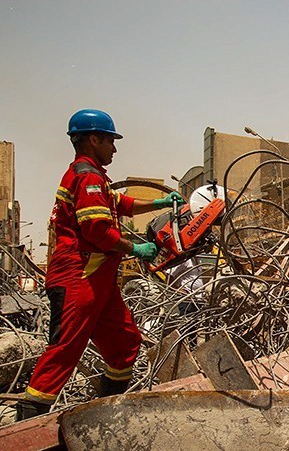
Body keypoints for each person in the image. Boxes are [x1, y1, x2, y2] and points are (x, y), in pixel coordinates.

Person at [16, 109, 185, 421]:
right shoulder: (87, 177)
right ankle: (24, 432)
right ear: (93, 139)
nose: (114, 148)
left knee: (125, 344)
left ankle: (104, 417)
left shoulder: (94, 178)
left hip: (99, 280)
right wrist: (137, 248)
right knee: (65, 349)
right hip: (78, 276)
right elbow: (96, 230)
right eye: (110, 141)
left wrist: (159, 202)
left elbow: (121, 204)